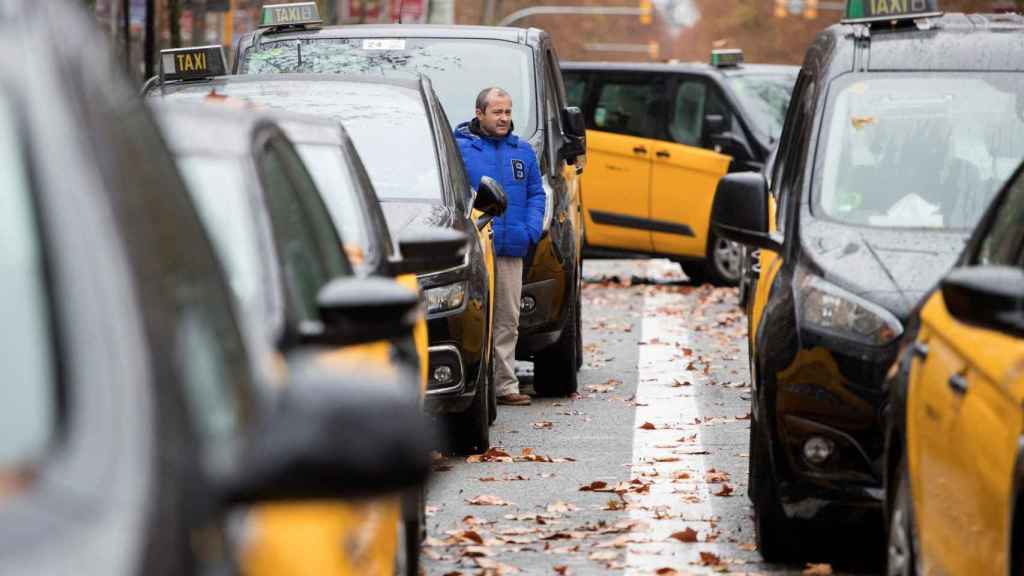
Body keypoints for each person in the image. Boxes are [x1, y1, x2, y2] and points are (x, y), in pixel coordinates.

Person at [454, 87, 545, 407]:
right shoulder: (460, 149)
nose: (504, 118)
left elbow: (536, 193)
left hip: (511, 248)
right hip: (476, 248)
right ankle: (472, 385)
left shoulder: (522, 151)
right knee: (472, 318)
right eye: (497, 112)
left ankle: (505, 385)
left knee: (508, 318)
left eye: (508, 112)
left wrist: (531, 229)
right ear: (480, 113)